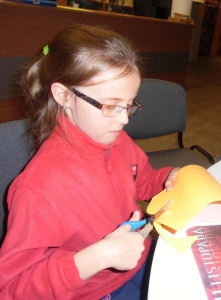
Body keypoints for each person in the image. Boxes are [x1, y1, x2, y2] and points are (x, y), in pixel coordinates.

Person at [0, 24, 180, 299]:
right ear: (63, 95)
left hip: (137, 258)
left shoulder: (115, 139)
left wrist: (167, 179)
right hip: (93, 290)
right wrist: (96, 257)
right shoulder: (39, 191)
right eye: (111, 105)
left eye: (130, 104)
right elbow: (12, 288)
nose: (124, 119)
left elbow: (143, 180)